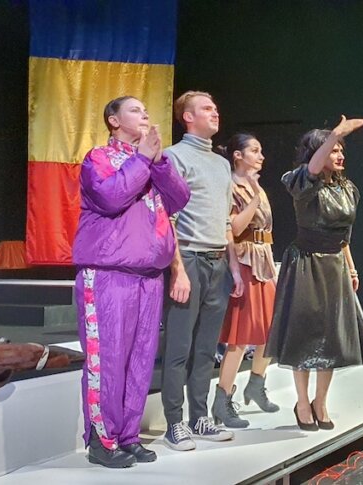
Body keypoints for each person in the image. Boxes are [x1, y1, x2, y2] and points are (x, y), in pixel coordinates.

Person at [73, 96, 190, 467]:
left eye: (145, 110)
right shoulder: (98, 158)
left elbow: (180, 198)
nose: (145, 115)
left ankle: (127, 435)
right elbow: (110, 197)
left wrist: (159, 161)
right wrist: (142, 159)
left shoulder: (152, 163)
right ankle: (102, 440)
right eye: (135, 110)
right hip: (108, 273)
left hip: (148, 276)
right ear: (113, 120)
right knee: (107, 359)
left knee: (140, 361)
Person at [266, 118, 363, 432]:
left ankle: (320, 401)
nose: (340, 155)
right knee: (304, 336)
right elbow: (312, 170)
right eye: (333, 150)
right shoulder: (301, 181)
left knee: (331, 337)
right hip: (305, 264)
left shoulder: (347, 188)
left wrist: (351, 267)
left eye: (341, 149)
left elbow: (344, 236)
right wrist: (335, 133)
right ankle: (302, 402)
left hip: (334, 264)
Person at [161, 91, 243, 451]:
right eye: (207, 108)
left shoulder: (222, 164)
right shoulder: (174, 157)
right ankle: (174, 423)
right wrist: (177, 269)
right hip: (190, 259)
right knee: (180, 346)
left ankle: (200, 417)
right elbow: (168, 219)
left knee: (207, 348)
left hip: (217, 262)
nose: (215, 112)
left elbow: (225, 221)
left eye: (215, 107)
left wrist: (234, 267)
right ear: (188, 117)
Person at [210, 133, 280, 428]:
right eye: (254, 150)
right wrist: (253, 197)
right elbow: (236, 228)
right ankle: (222, 399)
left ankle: (256, 382)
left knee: (272, 331)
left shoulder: (256, 185)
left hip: (264, 262)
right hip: (244, 261)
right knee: (240, 336)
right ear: (237, 155)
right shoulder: (230, 185)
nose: (260, 156)